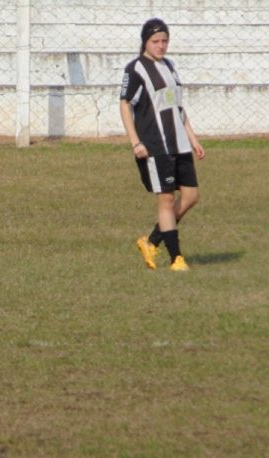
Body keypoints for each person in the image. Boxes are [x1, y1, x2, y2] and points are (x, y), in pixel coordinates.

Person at [119, 17, 206, 271]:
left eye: (164, 40)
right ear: (145, 42)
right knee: (166, 199)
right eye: (155, 41)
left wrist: (193, 138)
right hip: (156, 145)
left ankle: (151, 241)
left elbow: (177, 107)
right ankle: (176, 258)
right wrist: (136, 142)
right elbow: (125, 105)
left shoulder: (170, 66)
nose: (161, 45)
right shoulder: (135, 69)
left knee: (191, 196)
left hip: (179, 143)